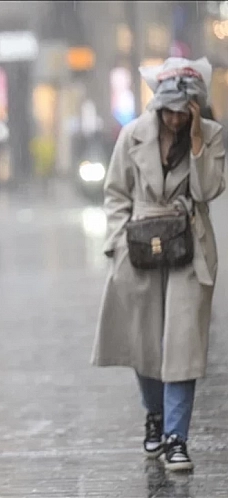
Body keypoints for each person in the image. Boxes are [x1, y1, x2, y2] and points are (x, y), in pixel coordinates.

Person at [93, 57, 225, 472]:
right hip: (139, 248)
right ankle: (154, 415)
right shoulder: (132, 136)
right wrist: (116, 244)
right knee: (145, 344)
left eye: (180, 110)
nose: (172, 118)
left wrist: (200, 140)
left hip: (190, 247)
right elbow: (115, 193)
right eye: (166, 109)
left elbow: (208, 191)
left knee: (182, 345)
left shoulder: (211, 137)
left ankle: (176, 437)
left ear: (193, 108)